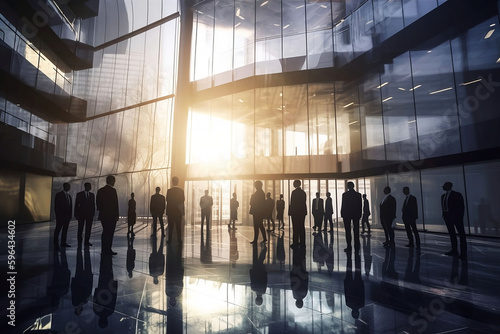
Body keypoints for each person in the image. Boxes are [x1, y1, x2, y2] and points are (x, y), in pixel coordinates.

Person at [441, 182, 467, 259]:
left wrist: (459, 217)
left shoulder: (457, 195)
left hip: (456, 218)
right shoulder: (443, 196)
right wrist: (444, 215)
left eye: (444, 186)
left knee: (461, 235)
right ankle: (454, 250)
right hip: (448, 218)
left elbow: (461, 207)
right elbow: (443, 207)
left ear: (449, 186)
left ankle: (463, 253)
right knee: (452, 235)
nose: (443, 187)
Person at [96, 175, 119, 256]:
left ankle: (104, 249)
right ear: (112, 181)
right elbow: (115, 204)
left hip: (103, 215)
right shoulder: (113, 191)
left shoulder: (100, 191)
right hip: (112, 216)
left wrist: (102, 210)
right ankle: (108, 249)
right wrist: (117, 214)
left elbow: (98, 203)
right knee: (110, 232)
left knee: (105, 231)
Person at [340, 182, 362, 253]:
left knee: (348, 231)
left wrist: (342, 214)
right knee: (356, 230)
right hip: (356, 214)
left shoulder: (345, 195)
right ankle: (357, 245)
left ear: (348, 187)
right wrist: (359, 214)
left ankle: (349, 246)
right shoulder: (358, 195)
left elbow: (343, 205)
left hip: (347, 215)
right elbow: (360, 206)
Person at [74, 182, 95, 247]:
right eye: (89, 186)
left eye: (90, 186)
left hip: (89, 215)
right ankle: (79, 241)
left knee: (88, 228)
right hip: (81, 214)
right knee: (80, 228)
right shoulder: (79, 194)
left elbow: (93, 205)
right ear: (85, 187)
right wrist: (76, 214)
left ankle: (87, 241)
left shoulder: (92, 195)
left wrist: (93, 213)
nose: (90, 187)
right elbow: (76, 205)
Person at [166, 176, 185, 244]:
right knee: (178, 226)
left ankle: (170, 239)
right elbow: (183, 200)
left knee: (170, 226)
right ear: (178, 182)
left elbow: (167, 200)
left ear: (172, 182)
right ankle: (179, 240)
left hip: (171, 211)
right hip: (178, 212)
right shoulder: (181, 191)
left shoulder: (169, 191)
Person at [54, 182, 73, 250]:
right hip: (61, 217)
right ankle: (56, 245)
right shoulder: (59, 195)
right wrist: (58, 216)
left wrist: (70, 216)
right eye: (68, 186)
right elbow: (56, 206)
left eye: (69, 186)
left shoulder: (69, 196)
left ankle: (63, 243)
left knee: (65, 230)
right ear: (64, 187)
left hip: (67, 217)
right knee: (58, 230)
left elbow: (70, 207)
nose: (69, 188)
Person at [289, 180, 307, 249]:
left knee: (295, 228)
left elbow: (292, 203)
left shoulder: (294, 192)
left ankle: (295, 242)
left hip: (295, 213)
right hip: (302, 212)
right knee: (301, 227)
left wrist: (290, 212)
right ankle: (302, 243)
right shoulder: (303, 193)